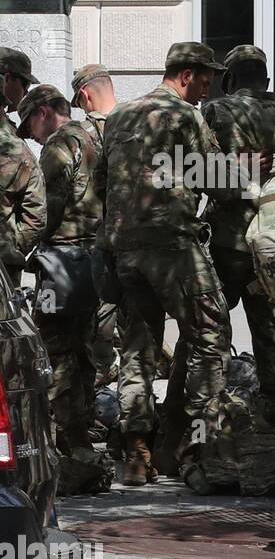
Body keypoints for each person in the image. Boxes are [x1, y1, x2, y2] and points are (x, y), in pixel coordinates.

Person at [99, 42, 236, 488]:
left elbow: (104, 182)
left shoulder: (119, 116)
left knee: (138, 346)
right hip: (172, 247)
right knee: (211, 335)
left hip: (125, 249)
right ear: (186, 74)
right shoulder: (185, 117)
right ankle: (198, 448)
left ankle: (136, 453)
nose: (209, 85)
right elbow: (219, 179)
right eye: (206, 76)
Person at [196, 44, 275, 428]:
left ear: (230, 80)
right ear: (265, 79)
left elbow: (200, 174)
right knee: (271, 332)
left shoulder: (216, 111)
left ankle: (210, 414)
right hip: (274, 244)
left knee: (210, 329)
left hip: (227, 241)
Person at [16, 83, 112, 492]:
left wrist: (22, 244)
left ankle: (59, 440)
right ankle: (80, 440)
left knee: (53, 353)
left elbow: (46, 208)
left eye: (30, 128)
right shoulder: (93, 138)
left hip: (62, 264)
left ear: (42, 113)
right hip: (93, 259)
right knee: (83, 352)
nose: (33, 138)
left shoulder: (59, 145)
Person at [70, 64, 121, 387]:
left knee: (94, 328)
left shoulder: (81, 136)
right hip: (139, 243)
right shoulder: (137, 125)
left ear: (85, 96)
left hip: (96, 243)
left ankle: (96, 396)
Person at [0, 47, 45, 286]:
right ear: (7, 78)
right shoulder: (15, 148)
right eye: (25, 84)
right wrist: (12, 248)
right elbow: (35, 214)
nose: (26, 92)